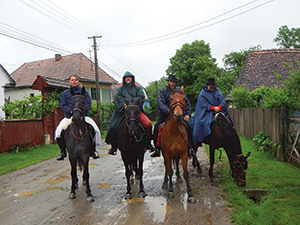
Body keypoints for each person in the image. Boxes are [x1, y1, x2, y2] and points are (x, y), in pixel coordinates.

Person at [105, 71, 155, 155]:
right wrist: (123, 105)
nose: (128, 78)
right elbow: (117, 97)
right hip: (122, 112)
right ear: (124, 79)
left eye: (129, 77)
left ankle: (148, 143)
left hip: (135, 111)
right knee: (114, 126)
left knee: (148, 123)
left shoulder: (138, 89)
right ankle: (114, 146)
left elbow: (141, 97)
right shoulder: (119, 89)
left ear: (132, 78)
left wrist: (136, 104)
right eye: (126, 77)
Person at [55, 75, 100, 160]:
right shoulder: (65, 93)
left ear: (78, 81)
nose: (74, 81)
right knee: (58, 132)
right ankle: (62, 152)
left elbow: (88, 103)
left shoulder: (84, 92)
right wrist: (71, 111)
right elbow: (62, 105)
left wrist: (81, 111)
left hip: (83, 116)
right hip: (69, 117)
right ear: (70, 81)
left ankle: (93, 150)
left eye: (76, 80)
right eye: (72, 80)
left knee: (96, 130)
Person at [151, 74, 192, 157]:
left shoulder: (179, 91)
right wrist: (169, 113)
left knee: (188, 126)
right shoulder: (162, 91)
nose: (172, 83)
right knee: (156, 127)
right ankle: (157, 148)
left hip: (179, 114)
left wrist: (187, 114)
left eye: (173, 82)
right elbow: (161, 104)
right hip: (166, 114)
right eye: (170, 81)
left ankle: (189, 147)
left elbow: (186, 102)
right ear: (167, 82)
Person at [192, 78, 233, 145]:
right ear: (207, 85)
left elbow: (222, 102)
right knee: (200, 123)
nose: (212, 86)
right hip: (207, 112)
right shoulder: (202, 94)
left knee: (228, 122)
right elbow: (203, 104)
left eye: (213, 85)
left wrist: (219, 107)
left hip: (219, 111)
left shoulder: (218, 92)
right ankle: (199, 139)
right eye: (211, 85)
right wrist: (213, 108)